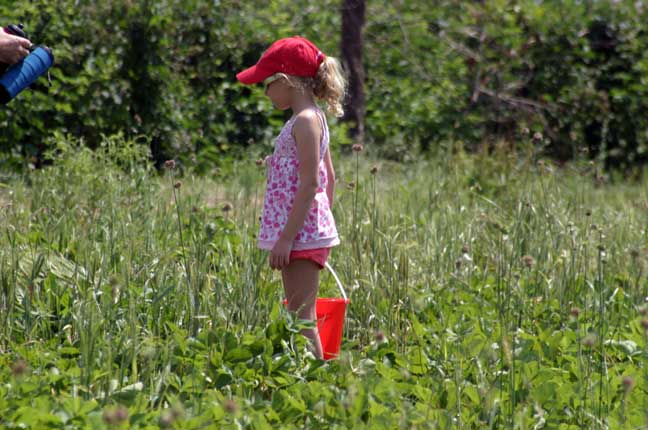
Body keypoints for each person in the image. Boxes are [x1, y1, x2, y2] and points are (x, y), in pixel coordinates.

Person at [237, 36, 347, 359]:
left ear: (285, 81)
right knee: (298, 312)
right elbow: (329, 179)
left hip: (300, 235)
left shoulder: (307, 121)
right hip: (303, 233)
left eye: (267, 83)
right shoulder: (309, 119)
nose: (266, 91)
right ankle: (308, 374)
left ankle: (317, 381)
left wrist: (291, 237)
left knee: (301, 317)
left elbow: (312, 182)